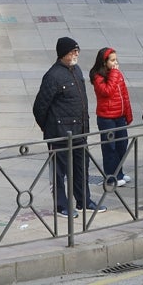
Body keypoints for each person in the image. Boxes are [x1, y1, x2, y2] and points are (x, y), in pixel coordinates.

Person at [32, 37, 101, 216]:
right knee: (59, 172)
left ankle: (83, 200)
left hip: (79, 131)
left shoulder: (76, 70)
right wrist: (48, 127)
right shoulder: (53, 76)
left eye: (77, 51)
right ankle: (61, 205)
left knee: (81, 167)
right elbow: (40, 107)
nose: (76, 54)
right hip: (60, 133)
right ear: (63, 54)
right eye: (72, 52)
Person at [90, 47, 133, 187]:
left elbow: (124, 95)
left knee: (122, 145)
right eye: (112, 60)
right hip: (107, 118)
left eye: (116, 60)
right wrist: (115, 73)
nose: (115, 63)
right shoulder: (98, 77)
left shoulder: (116, 74)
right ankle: (110, 176)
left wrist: (128, 114)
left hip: (119, 116)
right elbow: (107, 91)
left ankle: (119, 173)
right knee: (110, 148)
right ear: (104, 62)